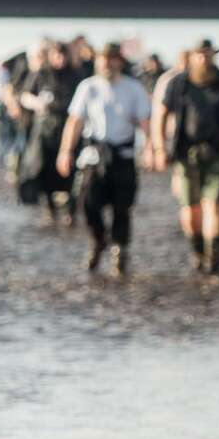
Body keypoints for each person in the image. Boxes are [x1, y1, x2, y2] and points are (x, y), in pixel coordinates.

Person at [153, 40, 219, 275]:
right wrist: (159, 148)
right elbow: (161, 114)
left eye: (208, 55)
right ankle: (197, 249)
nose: (204, 59)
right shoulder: (179, 83)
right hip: (186, 154)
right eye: (199, 55)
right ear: (192, 56)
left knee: (213, 204)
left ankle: (214, 257)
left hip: (217, 152)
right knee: (190, 208)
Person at [57, 43, 152, 275]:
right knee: (89, 204)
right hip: (93, 156)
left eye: (111, 59)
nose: (107, 64)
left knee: (122, 207)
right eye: (103, 59)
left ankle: (120, 249)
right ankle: (97, 239)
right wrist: (65, 151)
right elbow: (75, 122)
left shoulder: (133, 89)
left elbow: (144, 122)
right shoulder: (88, 87)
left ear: (119, 62)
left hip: (123, 156)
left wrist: (151, 147)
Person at [18, 41, 81, 227]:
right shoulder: (41, 74)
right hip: (44, 130)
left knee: (72, 171)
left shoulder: (75, 76)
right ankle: (49, 208)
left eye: (63, 56)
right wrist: (37, 103)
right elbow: (24, 96)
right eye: (56, 55)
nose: (60, 60)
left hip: (67, 128)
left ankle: (71, 209)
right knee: (42, 168)